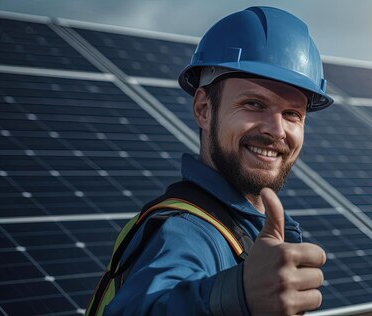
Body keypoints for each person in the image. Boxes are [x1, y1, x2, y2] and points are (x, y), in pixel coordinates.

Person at [95, 6, 334, 315]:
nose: (277, 130)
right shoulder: (185, 233)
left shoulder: (249, 231)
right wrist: (235, 296)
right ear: (204, 109)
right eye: (253, 103)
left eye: (292, 114)